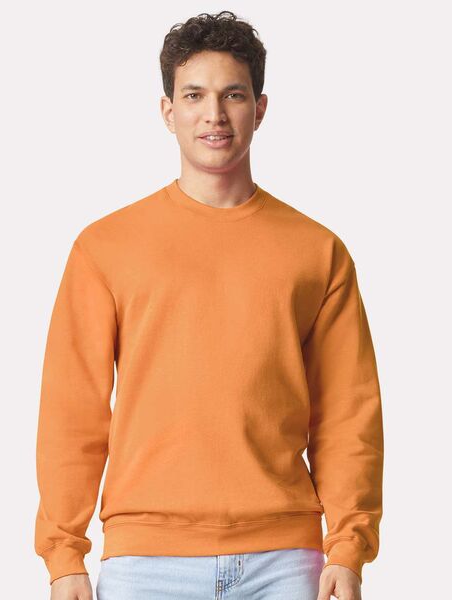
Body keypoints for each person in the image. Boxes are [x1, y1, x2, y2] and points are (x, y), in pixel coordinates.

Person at [35, 10, 383, 600]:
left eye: (233, 95)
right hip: (146, 563)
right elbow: (74, 411)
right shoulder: (105, 247)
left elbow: (348, 414)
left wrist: (349, 545)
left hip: (286, 563)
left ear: (260, 109)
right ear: (167, 111)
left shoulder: (318, 250)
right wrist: (64, 554)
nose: (214, 114)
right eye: (194, 95)